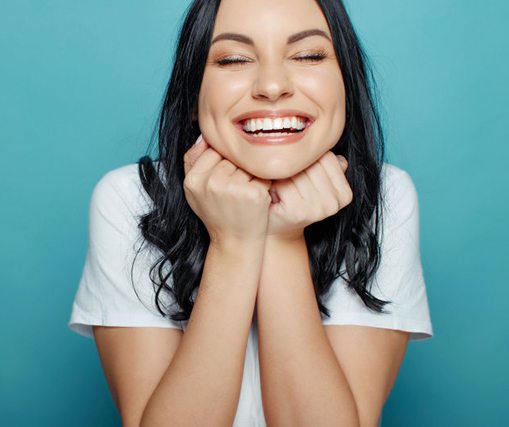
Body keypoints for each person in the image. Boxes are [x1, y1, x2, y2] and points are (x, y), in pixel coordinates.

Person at [68, 0, 434, 426]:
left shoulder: (384, 197)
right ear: (192, 95)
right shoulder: (132, 198)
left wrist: (282, 238)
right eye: (234, 59)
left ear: (346, 84)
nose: (273, 85)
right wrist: (235, 243)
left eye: (308, 55)